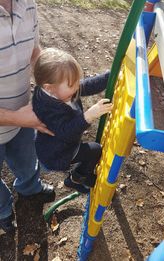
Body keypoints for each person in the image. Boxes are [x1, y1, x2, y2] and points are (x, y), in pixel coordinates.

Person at [0, 0, 55, 233]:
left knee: (26, 159)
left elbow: (34, 50)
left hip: (24, 110)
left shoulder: (28, 4)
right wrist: (19, 119)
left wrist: (50, 81)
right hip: (20, 117)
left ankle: (29, 187)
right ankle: (2, 210)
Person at [32, 48, 112, 192]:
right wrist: (88, 115)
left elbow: (85, 86)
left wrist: (109, 77)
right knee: (95, 150)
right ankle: (77, 178)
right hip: (56, 153)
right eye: (72, 85)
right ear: (49, 88)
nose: (77, 87)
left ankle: (76, 176)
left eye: (76, 82)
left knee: (92, 149)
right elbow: (66, 132)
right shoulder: (46, 108)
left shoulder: (61, 89)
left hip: (63, 144)